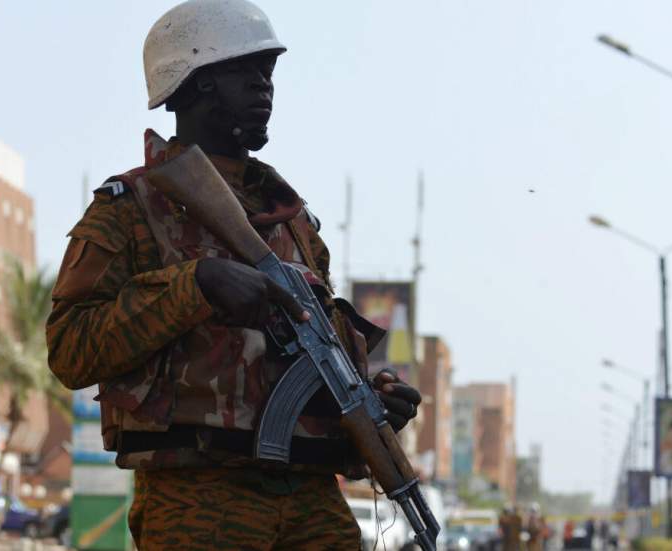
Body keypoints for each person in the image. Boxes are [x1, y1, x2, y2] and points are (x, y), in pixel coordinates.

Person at [46, 1, 423, 549]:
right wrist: (194, 286)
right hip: (199, 495)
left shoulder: (294, 225)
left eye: (268, 73)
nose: (263, 88)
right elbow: (70, 349)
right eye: (244, 72)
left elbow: (311, 360)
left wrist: (373, 399)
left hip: (311, 493)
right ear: (194, 82)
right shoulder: (130, 210)